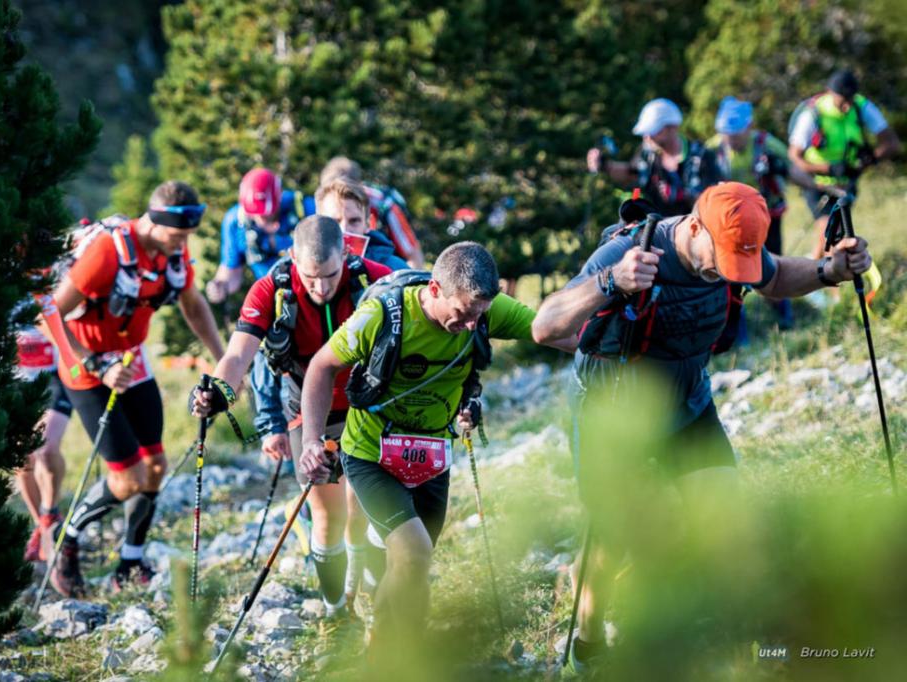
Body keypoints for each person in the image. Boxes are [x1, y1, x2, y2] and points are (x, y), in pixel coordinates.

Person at [531, 182, 873, 674]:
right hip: (615, 407)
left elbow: (774, 279)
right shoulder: (630, 251)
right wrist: (611, 281)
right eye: (722, 260)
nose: (726, 274)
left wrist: (827, 271)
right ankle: (586, 649)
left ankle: (727, 630)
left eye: (738, 266)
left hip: (688, 401)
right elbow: (545, 327)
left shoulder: (736, 254)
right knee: (611, 535)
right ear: (694, 228)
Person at [297, 242, 573, 653]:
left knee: (412, 564)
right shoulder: (383, 316)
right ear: (434, 288)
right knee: (413, 551)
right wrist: (311, 441)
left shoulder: (481, 312)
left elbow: (551, 332)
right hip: (370, 451)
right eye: (461, 314)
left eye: (478, 317)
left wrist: (614, 345)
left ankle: (383, 642)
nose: (468, 325)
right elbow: (322, 366)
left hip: (431, 457)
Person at [190, 215, 391, 618]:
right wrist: (220, 392)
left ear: (346, 255)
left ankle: (365, 593)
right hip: (306, 412)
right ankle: (335, 610)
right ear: (292, 257)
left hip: (367, 407)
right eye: (310, 276)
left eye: (331, 275)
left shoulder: (375, 279)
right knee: (327, 515)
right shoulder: (271, 289)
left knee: (365, 509)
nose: (320, 287)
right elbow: (237, 355)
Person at [46, 180, 225, 596]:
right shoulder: (108, 252)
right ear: (153, 222)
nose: (182, 245)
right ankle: (67, 538)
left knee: (156, 467)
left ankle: (130, 562)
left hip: (132, 359)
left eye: (187, 237)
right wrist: (95, 364)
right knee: (127, 479)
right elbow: (51, 312)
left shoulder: (172, 254)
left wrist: (224, 357)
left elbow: (193, 305)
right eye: (177, 236)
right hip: (87, 367)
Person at [708, 96, 821, 330]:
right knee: (733, 270)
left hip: (767, 216)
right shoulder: (712, 149)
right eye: (725, 133)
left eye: (735, 133)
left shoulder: (764, 143)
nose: (730, 139)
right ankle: (737, 327)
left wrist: (819, 188)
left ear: (748, 127)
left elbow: (792, 170)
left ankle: (785, 319)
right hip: (731, 223)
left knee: (772, 265)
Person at [788, 69, 901, 259]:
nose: (847, 106)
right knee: (829, 234)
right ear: (830, 93)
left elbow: (891, 143)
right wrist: (828, 169)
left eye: (851, 99)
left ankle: (815, 278)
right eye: (843, 101)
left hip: (846, 182)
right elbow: (794, 156)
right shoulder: (813, 113)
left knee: (832, 237)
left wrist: (869, 159)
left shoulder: (861, 106)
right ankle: (824, 282)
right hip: (818, 183)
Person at [588, 98, 722, 216]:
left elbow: (715, 199)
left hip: (695, 232)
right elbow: (631, 173)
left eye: (654, 130)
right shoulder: (648, 154)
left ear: (673, 127)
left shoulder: (702, 156)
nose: (648, 136)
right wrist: (604, 165)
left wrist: (682, 195)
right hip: (659, 230)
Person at [205, 167, 316, 303]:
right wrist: (221, 286)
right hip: (274, 300)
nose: (260, 218)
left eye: (266, 213)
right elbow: (231, 271)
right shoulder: (235, 222)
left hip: (314, 292)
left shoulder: (305, 209)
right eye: (255, 213)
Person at [13, 319, 70, 562]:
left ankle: (50, 514)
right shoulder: (1, 280)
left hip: (56, 373)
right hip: (15, 373)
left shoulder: (58, 279)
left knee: (45, 448)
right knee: (20, 457)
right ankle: (42, 529)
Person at [319, 156, 425, 269]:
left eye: (354, 220)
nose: (344, 230)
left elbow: (413, 254)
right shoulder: (324, 205)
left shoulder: (384, 204)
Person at [316, 175, 410, 272]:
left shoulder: (394, 270)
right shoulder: (303, 270)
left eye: (354, 221)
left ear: (368, 224)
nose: (344, 229)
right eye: (335, 221)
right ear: (319, 224)